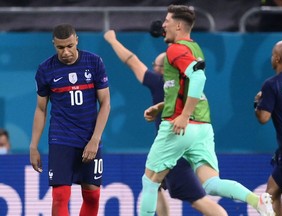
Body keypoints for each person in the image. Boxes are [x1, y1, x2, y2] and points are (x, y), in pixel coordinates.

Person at [139, 5, 275, 216]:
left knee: (150, 181)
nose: (163, 25)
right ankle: (256, 201)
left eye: (166, 21)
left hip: (180, 126)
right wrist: (159, 107)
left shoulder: (175, 49)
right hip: (202, 128)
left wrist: (183, 115)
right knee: (211, 183)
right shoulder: (195, 48)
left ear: (177, 25)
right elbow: (184, 88)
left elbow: (198, 78)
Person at [104, 30, 227, 216]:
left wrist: (112, 41)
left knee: (198, 200)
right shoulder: (187, 84)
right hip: (185, 143)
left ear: (163, 68)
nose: (152, 67)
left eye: (155, 64)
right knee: (153, 184)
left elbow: (131, 60)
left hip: (174, 148)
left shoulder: (158, 81)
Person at [29, 24, 110, 216]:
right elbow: (41, 109)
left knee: (92, 196)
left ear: (76, 41)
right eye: (60, 48)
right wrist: (33, 146)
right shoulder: (45, 69)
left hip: (89, 138)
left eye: (69, 46)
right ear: (54, 45)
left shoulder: (94, 62)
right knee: (59, 196)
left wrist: (95, 139)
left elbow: (105, 103)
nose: (66, 52)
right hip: (61, 138)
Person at [254, 40, 282, 216]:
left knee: (270, 196)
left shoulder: (271, 84)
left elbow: (263, 118)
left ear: (276, 58)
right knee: (273, 191)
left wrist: (257, 102)